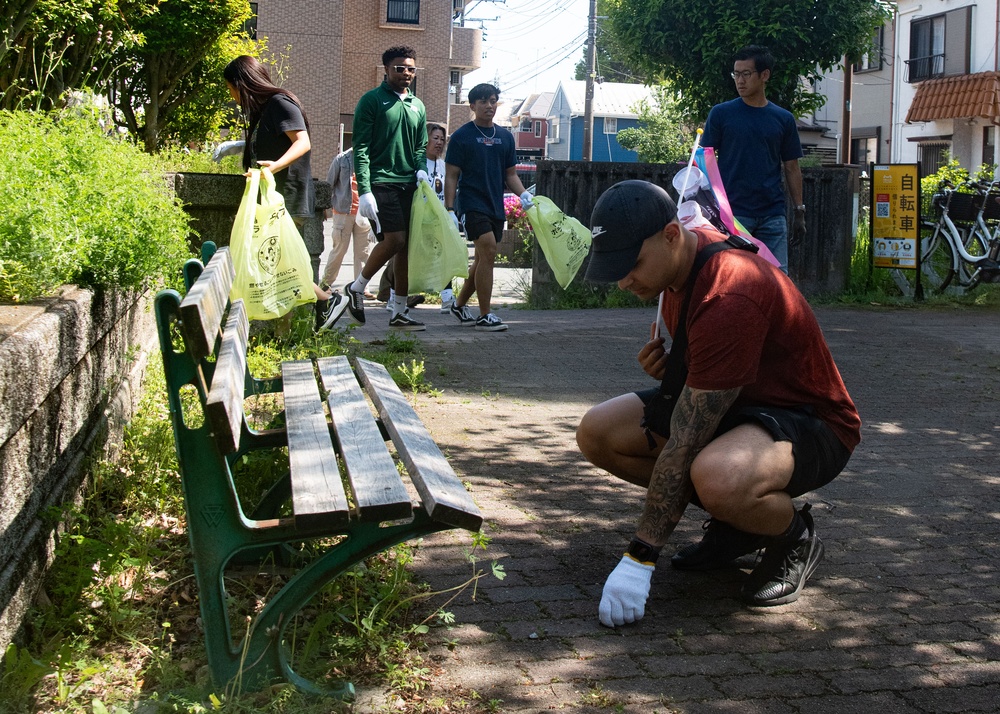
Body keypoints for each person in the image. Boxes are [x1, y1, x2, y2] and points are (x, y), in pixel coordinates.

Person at [576, 180, 860, 627]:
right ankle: (742, 524)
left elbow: (685, 443)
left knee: (716, 476)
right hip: (738, 407)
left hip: (812, 423)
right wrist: (674, 372)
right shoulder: (676, 268)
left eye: (630, 264)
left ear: (671, 235)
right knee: (598, 433)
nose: (623, 280)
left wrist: (640, 555)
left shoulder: (729, 293)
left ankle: (792, 536)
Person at [223, 55, 347, 332]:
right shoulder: (264, 110)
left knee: (286, 265)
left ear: (242, 84)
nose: (232, 96)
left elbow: (302, 142)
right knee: (281, 267)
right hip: (274, 199)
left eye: (231, 89)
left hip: (288, 197)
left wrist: (274, 166)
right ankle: (286, 332)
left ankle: (328, 300)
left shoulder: (279, 103)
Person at [342, 46, 428, 332]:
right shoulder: (371, 101)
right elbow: (361, 148)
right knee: (394, 240)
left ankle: (400, 311)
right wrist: (364, 189)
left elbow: (420, 146)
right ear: (386, 70)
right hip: (381, 182)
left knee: (404, 249)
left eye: (411, 69)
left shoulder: (418, 105)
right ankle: (356, 287)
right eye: (399, 68)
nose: (406, 73)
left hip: (409, 185)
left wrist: (422, 170)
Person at [702, 45, 805, 274]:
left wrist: (799, 210)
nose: (740, 80)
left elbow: (792, 166)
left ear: (764, 75)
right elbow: (704, 159)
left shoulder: (783, 119)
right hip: (733, 215)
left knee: (779, 281)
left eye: (746, 74)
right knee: (733, 277)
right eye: (736, 74)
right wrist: (710, 207)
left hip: (773, 213)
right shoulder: (721, 114)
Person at [444, 83, 533, 331]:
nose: (489, 106)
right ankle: (485, 315)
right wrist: (449, 209)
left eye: (493, 101)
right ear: (472, 106)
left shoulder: (505, 137)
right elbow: (451, 175)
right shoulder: (462, 136)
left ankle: (459, 305)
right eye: (483, 101)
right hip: (471, 204)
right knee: (490, 251)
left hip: (495, 205)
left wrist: (525, 195)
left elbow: (511, 174)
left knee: (483, 258)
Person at [377, 121, 450, 309]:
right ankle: (394, 296)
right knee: (406, 257)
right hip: (416, 217)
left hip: (436, 219)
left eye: (442, 139)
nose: (439, 143)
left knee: (443, 254)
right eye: (435, 138)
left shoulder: (443, 165)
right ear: (425, 140)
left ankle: (448, 297)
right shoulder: (415, 164)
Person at [323, 148, 374, 293]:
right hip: (342, 212)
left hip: (363, 214)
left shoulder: (371, 157)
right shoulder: (341, 158)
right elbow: (329, 183)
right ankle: (326, 284)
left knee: (363, 253)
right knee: (339, 250)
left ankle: (362, 287)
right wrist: (325, 208)